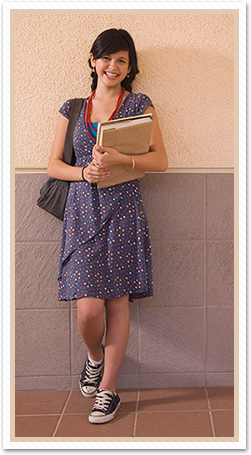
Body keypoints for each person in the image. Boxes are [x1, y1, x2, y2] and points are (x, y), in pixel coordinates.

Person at [47, 28, 168, 424]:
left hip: (124, 211)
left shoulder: (139, 104)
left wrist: (120, 159)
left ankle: (108, 390)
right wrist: (85, 172)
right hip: (82, 213)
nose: (112, 66)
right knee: (87, 310)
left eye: (122, 60)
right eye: (106, 58)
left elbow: (160, 160)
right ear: (92, 60)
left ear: (130, 67)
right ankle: (95, 358)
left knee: (117, 303)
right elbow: (52, 166)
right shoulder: (73, 106)